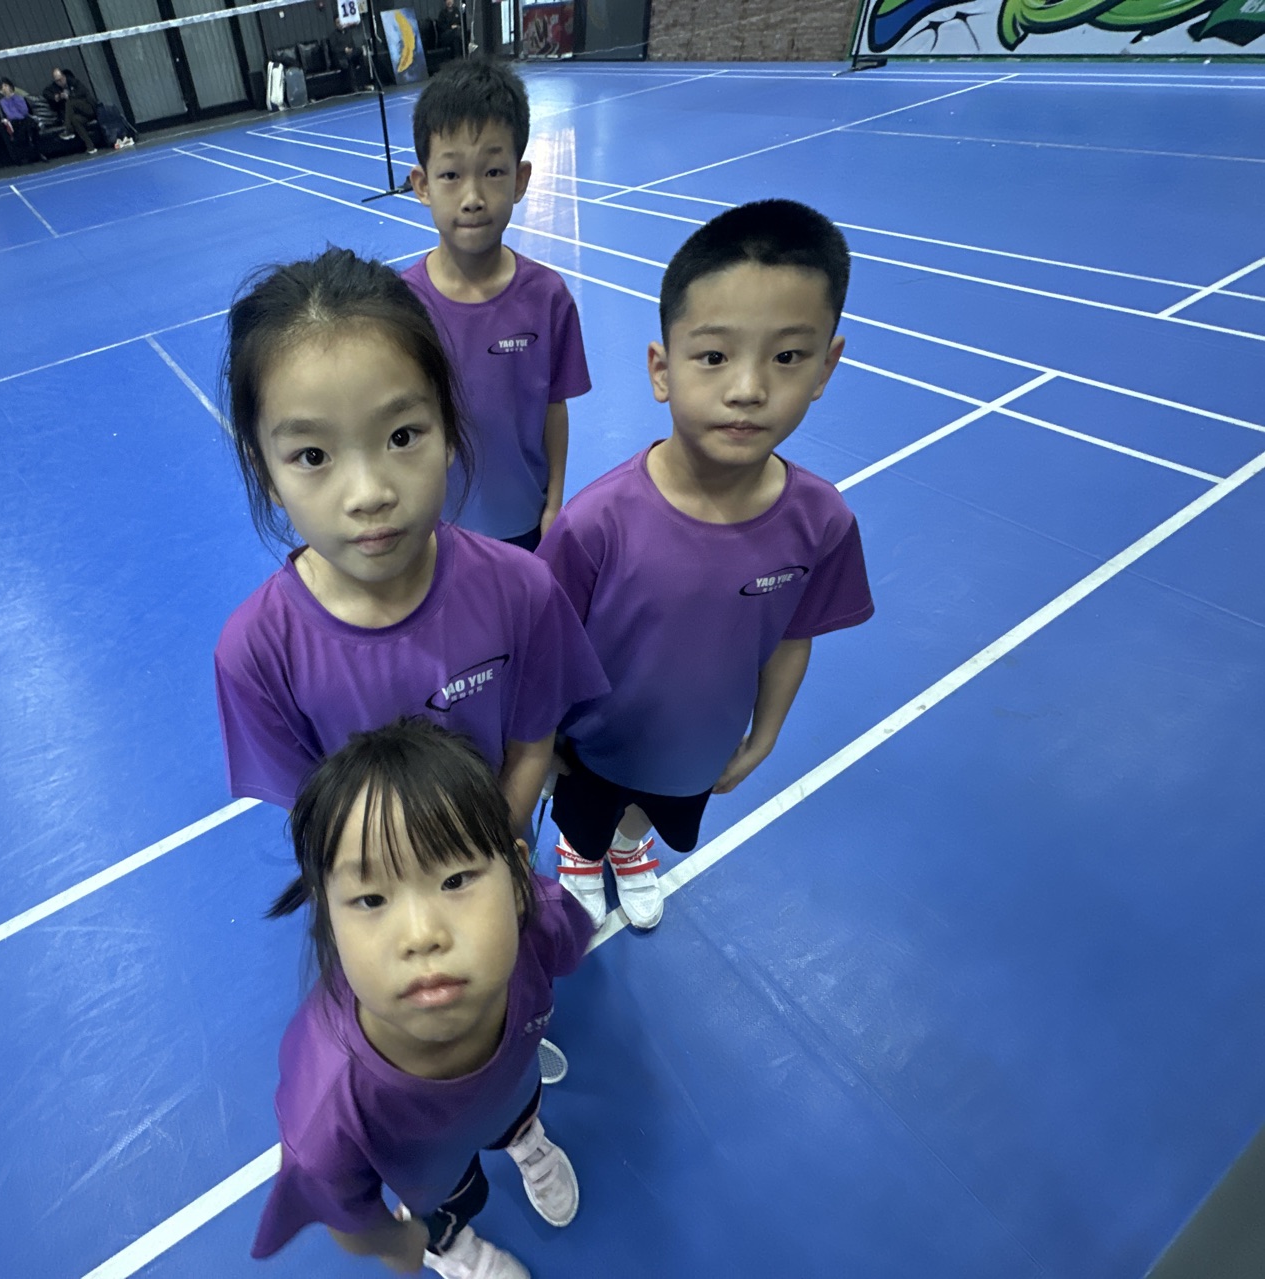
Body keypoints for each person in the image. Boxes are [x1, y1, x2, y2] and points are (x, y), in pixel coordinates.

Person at [538, 200, 876, 932]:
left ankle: (629, 848)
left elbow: (793, 637)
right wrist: (543, 745)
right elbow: (544, 649)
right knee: (588, 816)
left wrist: (765, 734)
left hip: (698, 753)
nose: (748, 388)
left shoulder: (822, 523)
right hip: (592, 751)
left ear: (827, 365)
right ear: (662, 369)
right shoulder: (594, 526)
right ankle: (581, 851)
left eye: (787, 357)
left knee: (649, 815)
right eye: (715, 356)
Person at [213, 247, 606, 843]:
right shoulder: (256, 654)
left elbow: (532, 749)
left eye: (401, 436)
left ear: (447, 429)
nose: (369, 494)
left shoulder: (524, 590)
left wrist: (482, 865)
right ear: (265, 470)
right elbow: (315, 818)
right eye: (313, 455)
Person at [251, 718, 593, 1278]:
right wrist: (400, 1242)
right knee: (450, 1207)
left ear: (515, 874)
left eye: (455, 880)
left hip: (511, 1090)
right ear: (327, 913)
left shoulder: (542, 922)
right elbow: (352, 1220)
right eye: (371, 899)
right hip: (433, 1176)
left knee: (518, 1111)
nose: (421, 934)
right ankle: (452, 1247)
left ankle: (525, 1140)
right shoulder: (327, 1114)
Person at [404, 59, 589, 554]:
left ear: (520, 179)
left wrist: (554, 503)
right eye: (450, 174)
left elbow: (554, 408)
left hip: (524, 524)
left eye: (492, 172)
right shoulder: (401, 309)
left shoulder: (548, 298)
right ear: (422, 185)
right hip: (436, 530)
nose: (472, 197)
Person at [43, 66, 100, 154]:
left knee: (70, 102)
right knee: (74, 119)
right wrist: (57, 97)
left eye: (60, 80)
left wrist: (69, 96)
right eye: (57, 81)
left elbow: (83, 93)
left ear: (64, 77)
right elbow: (46, 92)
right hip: (79, 114)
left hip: (88, 108)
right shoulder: (55, 87)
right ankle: (90, 146)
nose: (59, 82)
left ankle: (68, 129)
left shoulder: (74, 82)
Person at [0, 79, 38, 165]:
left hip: (24, 119)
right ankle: (27, 152)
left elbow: (24, 111)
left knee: (29, 122)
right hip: (14, 121)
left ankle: (35, 149)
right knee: (19, 125)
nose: (4, 88)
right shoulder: (3, 102)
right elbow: (9, 114)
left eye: (6, 86)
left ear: (10, 87)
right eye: (2, 87)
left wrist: (13, 97)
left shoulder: (19, 97)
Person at [328, 16, 369, 94]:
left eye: (341, 22)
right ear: (335, 24)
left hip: (350, 54)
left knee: (360, 51)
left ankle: (364, 83)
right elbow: (333, 49)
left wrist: (351, 49)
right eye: (338, 23)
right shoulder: (333, 35)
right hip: (340, 57)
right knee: (349, 61)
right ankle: (354, 87)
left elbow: (352, 44)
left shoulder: (348, 32)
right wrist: (344, 49)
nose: (340, 24)